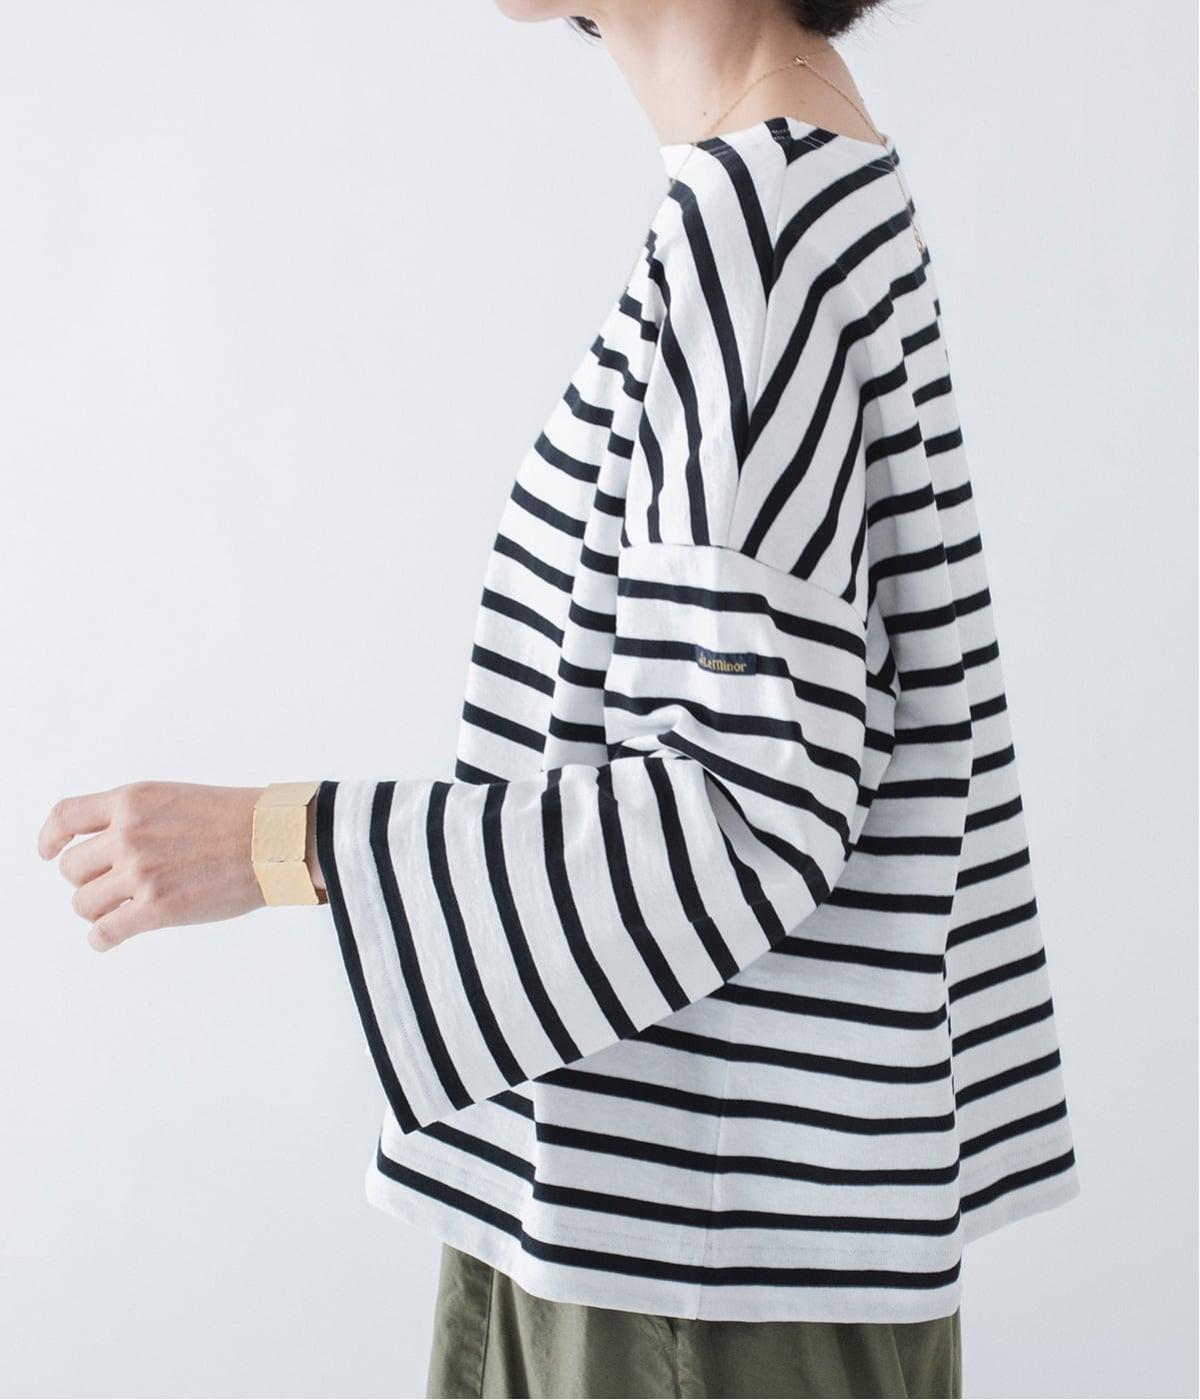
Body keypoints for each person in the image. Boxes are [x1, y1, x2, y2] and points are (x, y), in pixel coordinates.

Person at [37, 2, 1081, 1396]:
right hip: (679, 1214)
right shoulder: (791, 186)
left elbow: (744, 815)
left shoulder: (758, 235)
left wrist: (277, 844)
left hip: (691, 1265)